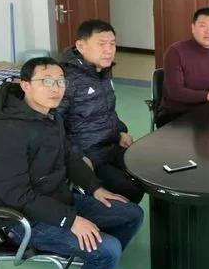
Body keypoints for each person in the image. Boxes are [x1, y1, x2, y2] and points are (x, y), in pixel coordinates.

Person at [0, 57, 144, 269]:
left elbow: (69, 156)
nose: (55, 88)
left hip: (58, 200)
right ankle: (97, 263)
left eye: (60, 81)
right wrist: (70, 221)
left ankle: (95, 264)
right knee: (109, 249)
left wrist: (95, 188)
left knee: (131, 214)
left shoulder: (49, 114)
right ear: (25, 85)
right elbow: (17, 195)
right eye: (46, 81)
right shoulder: (4, 131)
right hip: (23, 220)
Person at [57, 20, 144, 204]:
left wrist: (120, 131)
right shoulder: (66, 78)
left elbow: (106, 110)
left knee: (147, 169)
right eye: (101, 44)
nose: (109, 50)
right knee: (129, 188)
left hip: (110, 144)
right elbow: (53, 125)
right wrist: (76, 157)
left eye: (112, 44)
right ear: (81, 46)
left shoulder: (102, 70)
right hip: (88, 154)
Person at [158, 7, 209, 127]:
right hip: (176, 115)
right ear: (193, 28)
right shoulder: (175, 52)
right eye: (203, 26)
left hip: (206, 110)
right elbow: (175, 92)